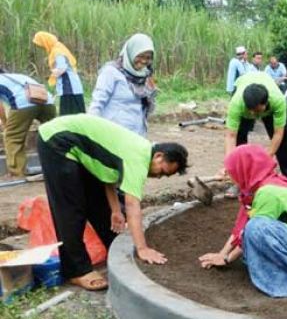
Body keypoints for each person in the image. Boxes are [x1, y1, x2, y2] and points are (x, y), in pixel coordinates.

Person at [37, 114, 188, 291]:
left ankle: (113, 244)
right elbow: (133, 205)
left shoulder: (138, 153)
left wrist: (115, 210)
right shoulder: (138, 157)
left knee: (98, 201)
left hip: (79, 145)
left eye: (163, 176)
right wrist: (142, 248)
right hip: (57, 141)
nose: (158, 176)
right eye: (161, 171)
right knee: (70, 208)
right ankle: (77, 271)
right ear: (159, 156)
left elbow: (106, 174)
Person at [199, 145, 287, 298]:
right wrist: (222, 254)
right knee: (252, 234)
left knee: (256, 227)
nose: (227, 173)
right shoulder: (258, 188)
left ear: (244, 168)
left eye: (231, 168)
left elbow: (252, 228)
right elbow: (241, 228)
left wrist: (227, 259)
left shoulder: (268, 191)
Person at [224, 72, 287, 180]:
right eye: (250, 110)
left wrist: (266, 159)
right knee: (239, 138)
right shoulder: (237, 104)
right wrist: (228, 164)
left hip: (270, 103)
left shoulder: (278, 101)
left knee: (286, 137)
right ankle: (239, 179)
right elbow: (230, 136)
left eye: (256, 110)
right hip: (243, 87)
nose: (253, 115)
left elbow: (278, 133)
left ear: (265, 103)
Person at [88, 33, 156, 136]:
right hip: (113, 135)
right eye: (140, 56)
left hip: (137, 135)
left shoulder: (145, 76)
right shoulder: (111, 72)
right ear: (131, 53)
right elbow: (97, 102)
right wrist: (91, 130)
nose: (143, 61)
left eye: (148, 58)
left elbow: (145, 109)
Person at [0, 69, 56, 179]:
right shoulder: (18, 75)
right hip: (48, 101)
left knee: (12, 137)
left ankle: (17, 173)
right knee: (55, 134)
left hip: (24, 104)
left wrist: (6, 124)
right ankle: (59, 166)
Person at [32, 31, 85, 115]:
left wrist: (53, 74)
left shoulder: (57, 51)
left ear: (46, 42)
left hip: (69, 88)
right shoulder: (58, 47)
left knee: (68, 115)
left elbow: (62, 68)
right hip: (71, 87)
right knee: (76, 114)